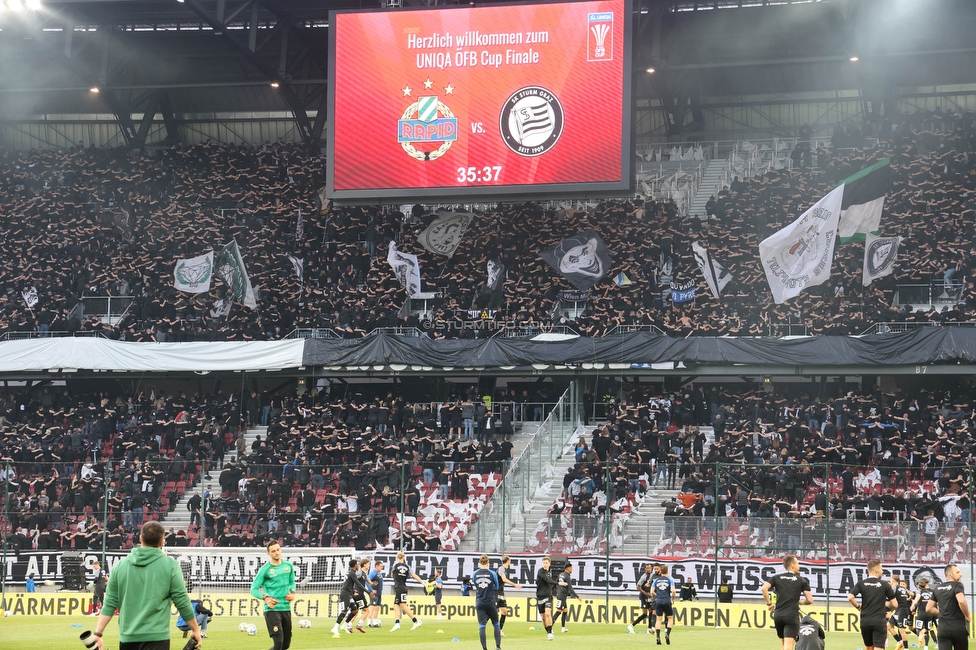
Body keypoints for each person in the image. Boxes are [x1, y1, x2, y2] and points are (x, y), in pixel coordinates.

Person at [92, 521, 202, 650]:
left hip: (128, 637)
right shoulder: (170, 566)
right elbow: (182, 601)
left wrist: (98, 633)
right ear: (162, 542)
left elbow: (110, 602)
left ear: (140, 538)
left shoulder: (120, 566)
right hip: (157, 637)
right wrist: (195, 629)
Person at [249, 539, 297, 650]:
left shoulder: (288, 566)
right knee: (278, 643)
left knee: (285, 645)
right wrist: (266, 598)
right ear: (268, 553)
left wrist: (293, 593)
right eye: (273, 551)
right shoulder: (265, 569)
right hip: (271, 609)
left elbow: (292, 582)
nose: (277, 552)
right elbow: (253, 589)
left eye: (278, 549)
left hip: (285, 607)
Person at [761, 555, 814, 650]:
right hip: (791, 616)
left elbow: (764, 588)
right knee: (788, 647)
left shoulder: (776, 578)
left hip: (778, 616)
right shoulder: (801, 580)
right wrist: (801, 602)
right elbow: (810, 600)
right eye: (798, 564)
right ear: (792, 566)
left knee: (784, 646)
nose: (799, 566)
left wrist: (769, 604)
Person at [848, 560, 898, 650]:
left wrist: (858, 607)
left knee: (869, 647)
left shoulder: (861, 583)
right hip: (879, 622)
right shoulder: (885, 585)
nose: (882, 571)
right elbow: (894, 604)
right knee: (878, 648)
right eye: (881, 569)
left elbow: (850, 597)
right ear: (877, 571)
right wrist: (885, 603)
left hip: (865, 622)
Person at [927, 563, 971, 650]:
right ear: (950, 575)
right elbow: (961, 601)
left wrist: (941, 614)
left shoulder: (937, 588)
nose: (960, 574)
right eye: (958, 572)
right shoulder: (957, 585)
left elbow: (929, 608)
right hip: (958, 628)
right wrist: (967, 616)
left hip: (943, 628)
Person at [473, 554, 503, 650]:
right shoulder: (492, 573)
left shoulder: (475, 573)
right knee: (496, 623)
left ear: (479, 562)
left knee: (482, 625)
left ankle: (485, 648)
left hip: (480, 602)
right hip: (490, 602)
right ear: (488, 562)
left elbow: (475, 585)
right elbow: (497, 586)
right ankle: (498, 646)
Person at [390, 550, 424, 631]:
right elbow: (414, 575)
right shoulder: (407, 566)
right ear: (404, 557)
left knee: (403, 605)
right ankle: (397, 623)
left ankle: (415, 621)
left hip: (399, 587)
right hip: (403, 587)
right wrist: (422, 582)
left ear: (397, 557)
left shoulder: (395, 565)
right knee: (396, 605)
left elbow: (392, 575)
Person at [333, 558, 364, 637]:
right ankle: (335, 628)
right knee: (344, 611)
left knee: (355, 610)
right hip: (345, 594)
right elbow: (358, 584)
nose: (358, 565)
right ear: (355, 565)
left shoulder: (349, 573)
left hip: (349, 594)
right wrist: (368, 592)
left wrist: (353, 590)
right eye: (357, 564)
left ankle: (344, 626)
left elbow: (347, 583)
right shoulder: (352, 573)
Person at [651, 564, 677, 645]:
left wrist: (657, 595)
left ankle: (658, 637)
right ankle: (667, 633)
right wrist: (673, 598)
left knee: (659, 619)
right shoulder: (670, 580)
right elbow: (673, 591)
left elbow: (651, 592)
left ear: (660, 571)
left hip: (658, 601)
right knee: (670, 618)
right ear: (667, 571)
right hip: (666, 600)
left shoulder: (656, 580)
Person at [496, 555, 522, 637]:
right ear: (508, 561)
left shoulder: (504, 569)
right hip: (496, 592)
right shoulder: (501, 568)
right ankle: (482, 627)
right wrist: (515, 585)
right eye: (509, 560)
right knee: (493, 612)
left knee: (504, 612)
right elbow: (503, 579)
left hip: (501, 592)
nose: (510, 562)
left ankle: (499, 630)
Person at [552, 562, 581, 634]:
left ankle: (563, 628)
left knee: (565, 610)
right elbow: (570, 588)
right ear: (568, 568)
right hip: (562, 596)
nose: (572, 569)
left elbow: (556, 582)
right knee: (559, 611)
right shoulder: (567, 576)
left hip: (560, 594)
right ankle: (549, 628)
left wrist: (552, 590)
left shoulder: (561, 574)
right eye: (571, 568)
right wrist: (577, 596)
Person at [888, 575, 915, 650]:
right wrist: (908, 599)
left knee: (901, 630)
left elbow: (889, 597)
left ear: (893, 581)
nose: (890, 582)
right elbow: (912, 594)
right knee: (888, 625)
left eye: (890, 581)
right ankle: (900, 642)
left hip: (902, 611)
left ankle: (906, 648)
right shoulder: (903, 588)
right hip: (899, 610)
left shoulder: (894, 588)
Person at [535, 555, 558, 640]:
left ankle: (550, 632)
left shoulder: (550, 571)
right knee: (543, 617)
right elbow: (547, 580)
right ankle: (549, 631)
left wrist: (552, 589)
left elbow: (550, 582)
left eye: (546, 563)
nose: (545, 564)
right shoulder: (540, 571)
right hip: (540, 596)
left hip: (548, 596)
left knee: (548, 613)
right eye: (543, 563)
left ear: (549, 563)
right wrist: (558, 583)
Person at [628, 563, 655, 634]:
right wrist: (645, 593)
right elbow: (638, 586)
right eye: (647, 568)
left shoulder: (652, 575)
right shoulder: (644, 577)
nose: (649, 569)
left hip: (649, 596)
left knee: (651, 612)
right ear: (645, 569)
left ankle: (649, 629)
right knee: (645, 614)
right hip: (643, 596)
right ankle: (631, 625)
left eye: (650, 568)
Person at [911, 577, 937, 650]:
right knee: (928, 629)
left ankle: (921, 635)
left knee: (919, 629)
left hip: (921, 613)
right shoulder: (931, 592)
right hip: (930, 613)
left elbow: (916, 601)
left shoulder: (919, 592)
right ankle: (926, 646)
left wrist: (913, 606)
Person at [366, 560, 385, 628]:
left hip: (379, 592)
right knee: (372, 607)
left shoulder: (379, 573)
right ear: (376, 566)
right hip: (374, 593)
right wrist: (371, 590)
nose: (382, 568)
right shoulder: (373, 573)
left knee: (377, 607)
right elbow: (367, 581)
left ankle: (374, 622)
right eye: (381, 566)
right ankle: (368, 622)